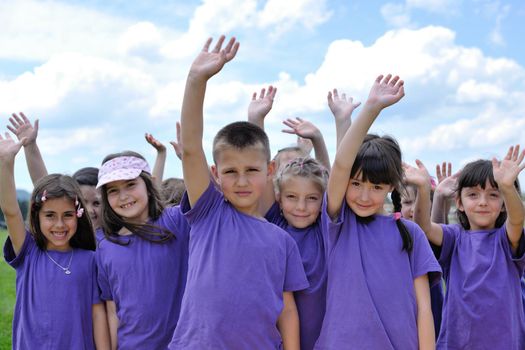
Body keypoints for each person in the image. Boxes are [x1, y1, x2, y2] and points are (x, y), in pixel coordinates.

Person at [169, 36, 308, 349]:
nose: (242, 181)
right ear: (216, 175)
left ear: (270, 171)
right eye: (231, 172)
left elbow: (287, 309)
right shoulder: (209, 213)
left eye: (252, 171)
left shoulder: (282, 241)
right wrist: (196, 79)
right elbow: (191, 148)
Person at [315, 74, 441, 349]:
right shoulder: (339, 223)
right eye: (356, 183)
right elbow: (341, 165)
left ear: (391, 186)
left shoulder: (410, 233)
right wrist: (370, 109)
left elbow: (424, 309)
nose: (363, 195)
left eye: (375, 186)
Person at [0, 133, 109, 349]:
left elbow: (97, 314)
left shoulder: (90, 259)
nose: (59, 225)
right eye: (50, 215)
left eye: (67, 215)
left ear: (78, 215)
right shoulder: (28, 252)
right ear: (36, 215)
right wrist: (5, 163)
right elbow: (11, 211)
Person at [411, 150, 525, 349]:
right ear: (459, 203)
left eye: (493, 195)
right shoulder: (454, 238)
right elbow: (424, 228)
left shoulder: (506, 240)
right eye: (473, 195)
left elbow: (516, 220)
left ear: (503, 204)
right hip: (457, 343)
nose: (483, 202)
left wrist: (507, 187)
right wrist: (425, 190)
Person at [95, 150, 190, 349]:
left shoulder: (177, 221)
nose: (123, 196)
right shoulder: (104, 244)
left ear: (148, 185)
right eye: (113, 190)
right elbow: (112, 310)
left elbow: (208, 196)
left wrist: (189, 156)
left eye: (131, 184)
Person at [268, 156, 329, 350]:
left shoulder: (327, 232)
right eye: (291, 197)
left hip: (322, 341)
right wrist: (256, 123)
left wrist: (319, 139)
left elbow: (339, 174)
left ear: (323, 201)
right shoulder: (273, 226)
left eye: (312, 198)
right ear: (278, 197)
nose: (301, 207)